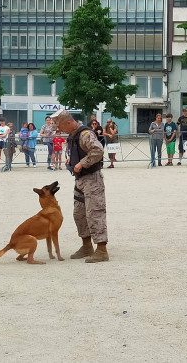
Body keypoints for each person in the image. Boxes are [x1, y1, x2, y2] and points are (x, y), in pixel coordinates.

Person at [50, 109, 110, 263]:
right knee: (79, 213)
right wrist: (72, 159)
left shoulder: (85, 134)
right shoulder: (74, 135)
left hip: (92, 179)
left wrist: (82, 163)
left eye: (61, 127)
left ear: (69, 122)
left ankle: (102, 249)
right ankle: (86, 246)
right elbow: (82, 151)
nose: (60, 131)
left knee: (94, 212)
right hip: (80, 180)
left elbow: (98, 150)